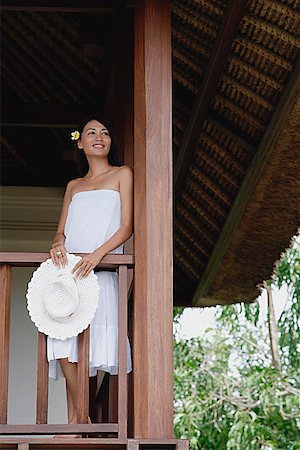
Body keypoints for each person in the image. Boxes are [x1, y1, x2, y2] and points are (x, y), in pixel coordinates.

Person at [47, 115, 133, 426]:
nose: (99, 136)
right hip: (69, 273)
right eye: (91, 132)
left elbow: (126, 227)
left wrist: (97, 255)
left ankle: (75, 420)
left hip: (101, 270)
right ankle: (80, 415)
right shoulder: (73, 185)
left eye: (106, 132)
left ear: (110, 142)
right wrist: (57, 243)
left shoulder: (123, 174)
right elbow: (61, 232)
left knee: (93, 346)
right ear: (80, 143)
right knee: (61, 343)